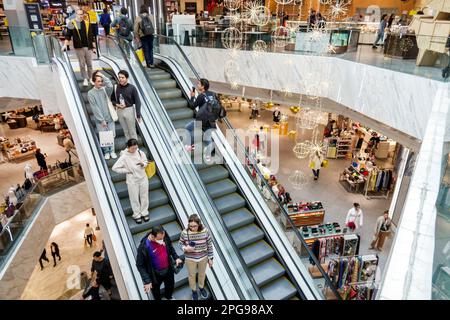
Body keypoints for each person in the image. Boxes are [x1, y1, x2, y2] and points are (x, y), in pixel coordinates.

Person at [136, 226, 183, 300]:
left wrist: (176, 257)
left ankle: (168, 297)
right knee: (155, 291)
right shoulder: (144, 247)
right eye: (160, 239)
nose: (163, 240)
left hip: (168, 269)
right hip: (155, 274)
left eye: (163, 237)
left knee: (170, 285)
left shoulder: (164, 235)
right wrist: (147, 281)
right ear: (152, 237)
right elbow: (140, 265)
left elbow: (170, 248)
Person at [112, 138, 149, 224]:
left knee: (144, 196)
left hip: (143, 178)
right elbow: (114, 168)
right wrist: (127, 170)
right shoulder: (124, 157)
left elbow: (146, 161)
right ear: (128, 147)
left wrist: (143, 164)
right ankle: (137, 215)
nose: (134, 150)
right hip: (132, 181)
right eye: (132, 148)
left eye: (136, 148)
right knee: (134, 198)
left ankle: (144, 212)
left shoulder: (140, 152)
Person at [179, 214, 213, 300]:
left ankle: (201, 287)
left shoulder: (205, 231)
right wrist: (185, 248)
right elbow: (180, 243)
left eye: (195, 226)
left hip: (203, 257)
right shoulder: (185, 233)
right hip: (190, 259)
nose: (192, 228)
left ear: (199, 224)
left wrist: (211, 258)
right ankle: (194, 290)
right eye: (190, 226)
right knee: (191, 275)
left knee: (202, 274)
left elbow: (209, 244)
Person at [185, 78, 219, 162]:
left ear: (203, 86)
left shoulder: (201, 96)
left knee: (188, 128)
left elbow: (192, 106)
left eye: (199, 84)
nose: (198, 85)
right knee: (207, 138)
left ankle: (190, 145)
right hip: (211, 120)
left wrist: (192, 97)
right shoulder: (213, 94)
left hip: (202, 120)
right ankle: (208, 156)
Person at [63, 9, 96, 87]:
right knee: (82, 64)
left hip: (88, 46)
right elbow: (68, 36)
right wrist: (65, 45)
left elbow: (91, 36)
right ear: (76, 14)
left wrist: (94, 47)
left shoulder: (87, 23)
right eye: (79, 14)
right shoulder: (72, 23)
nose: (80, 16)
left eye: (82, 14)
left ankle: (90, 78)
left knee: (89, 64)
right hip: (79, 47)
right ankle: (85, 78)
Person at [88, 70, 117, 160]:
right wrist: (102, 120)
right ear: (94, 82)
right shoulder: (90, 93)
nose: (100, 83)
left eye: (101, 81)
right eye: (98, 81)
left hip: (110, 117)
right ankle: (107, 152)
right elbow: (95, 108)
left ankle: (112, 151)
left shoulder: (105, 90)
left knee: (112, 135)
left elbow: (110, 85)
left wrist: (102, 76)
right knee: (104, 137)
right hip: (100, 120)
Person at [110, 70, 141, 142]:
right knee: (125, 131)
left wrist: (138, 114)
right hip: (120, 111)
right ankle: (129, 146)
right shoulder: (115, 87)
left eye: (122, 77)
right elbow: (112, 100)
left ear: (127, 78)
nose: (120, 79)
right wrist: (117, 105)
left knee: (132, 131)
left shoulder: (132, 88)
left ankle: (135, 147)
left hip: (129, 110)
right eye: (119, 77)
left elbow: (137, 101)